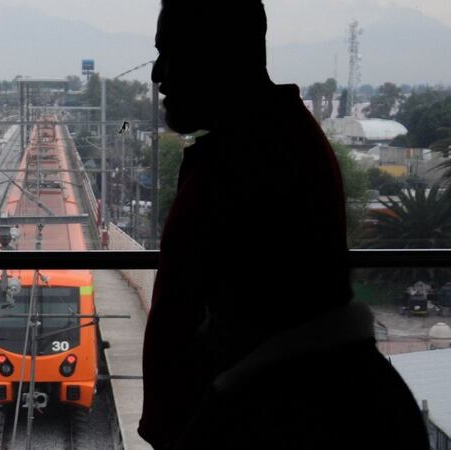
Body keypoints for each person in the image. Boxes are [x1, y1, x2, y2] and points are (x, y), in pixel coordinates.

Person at [139, 2, 430, 449]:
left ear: (219, 56)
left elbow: (183, 311)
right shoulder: (282, 141)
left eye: (171, 52)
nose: (158, 74)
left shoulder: (243, 166)